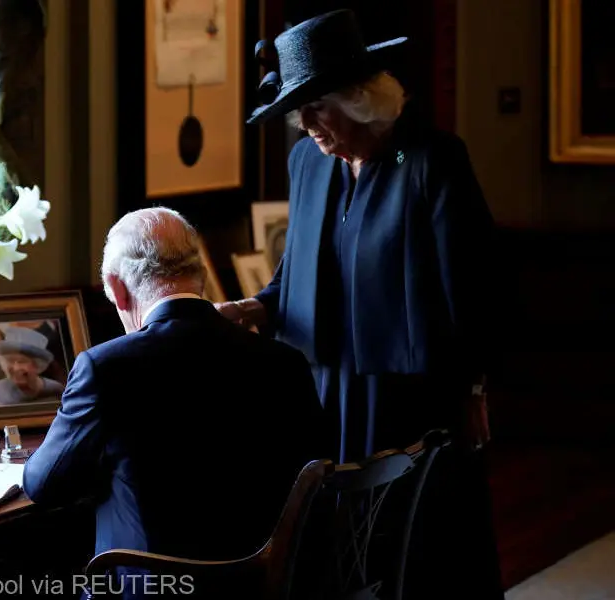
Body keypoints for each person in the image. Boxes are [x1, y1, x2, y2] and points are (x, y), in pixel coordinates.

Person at [216, 9, 504, 599]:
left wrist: (473, 388)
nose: (307, 125)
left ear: (361, 99)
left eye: (318, 106)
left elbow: (472, 290)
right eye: (298, 112)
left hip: (408, 395)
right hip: (323, 389)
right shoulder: (308, 164)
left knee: (414, 552)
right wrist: (257, 308)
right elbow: (295, 274)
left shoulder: (430, 160)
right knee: (331, 552)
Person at [22, 207, 327, 599]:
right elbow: (316, 477)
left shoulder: (104, 367)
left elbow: (43, 484)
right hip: (263, 588)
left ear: (116, 288)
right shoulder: (284, 363)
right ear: (198, 276)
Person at [0, 327, 65, 405]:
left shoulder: (56, 390)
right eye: (10, 361)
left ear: (37, 365)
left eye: (22, 361)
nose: (16, 368)